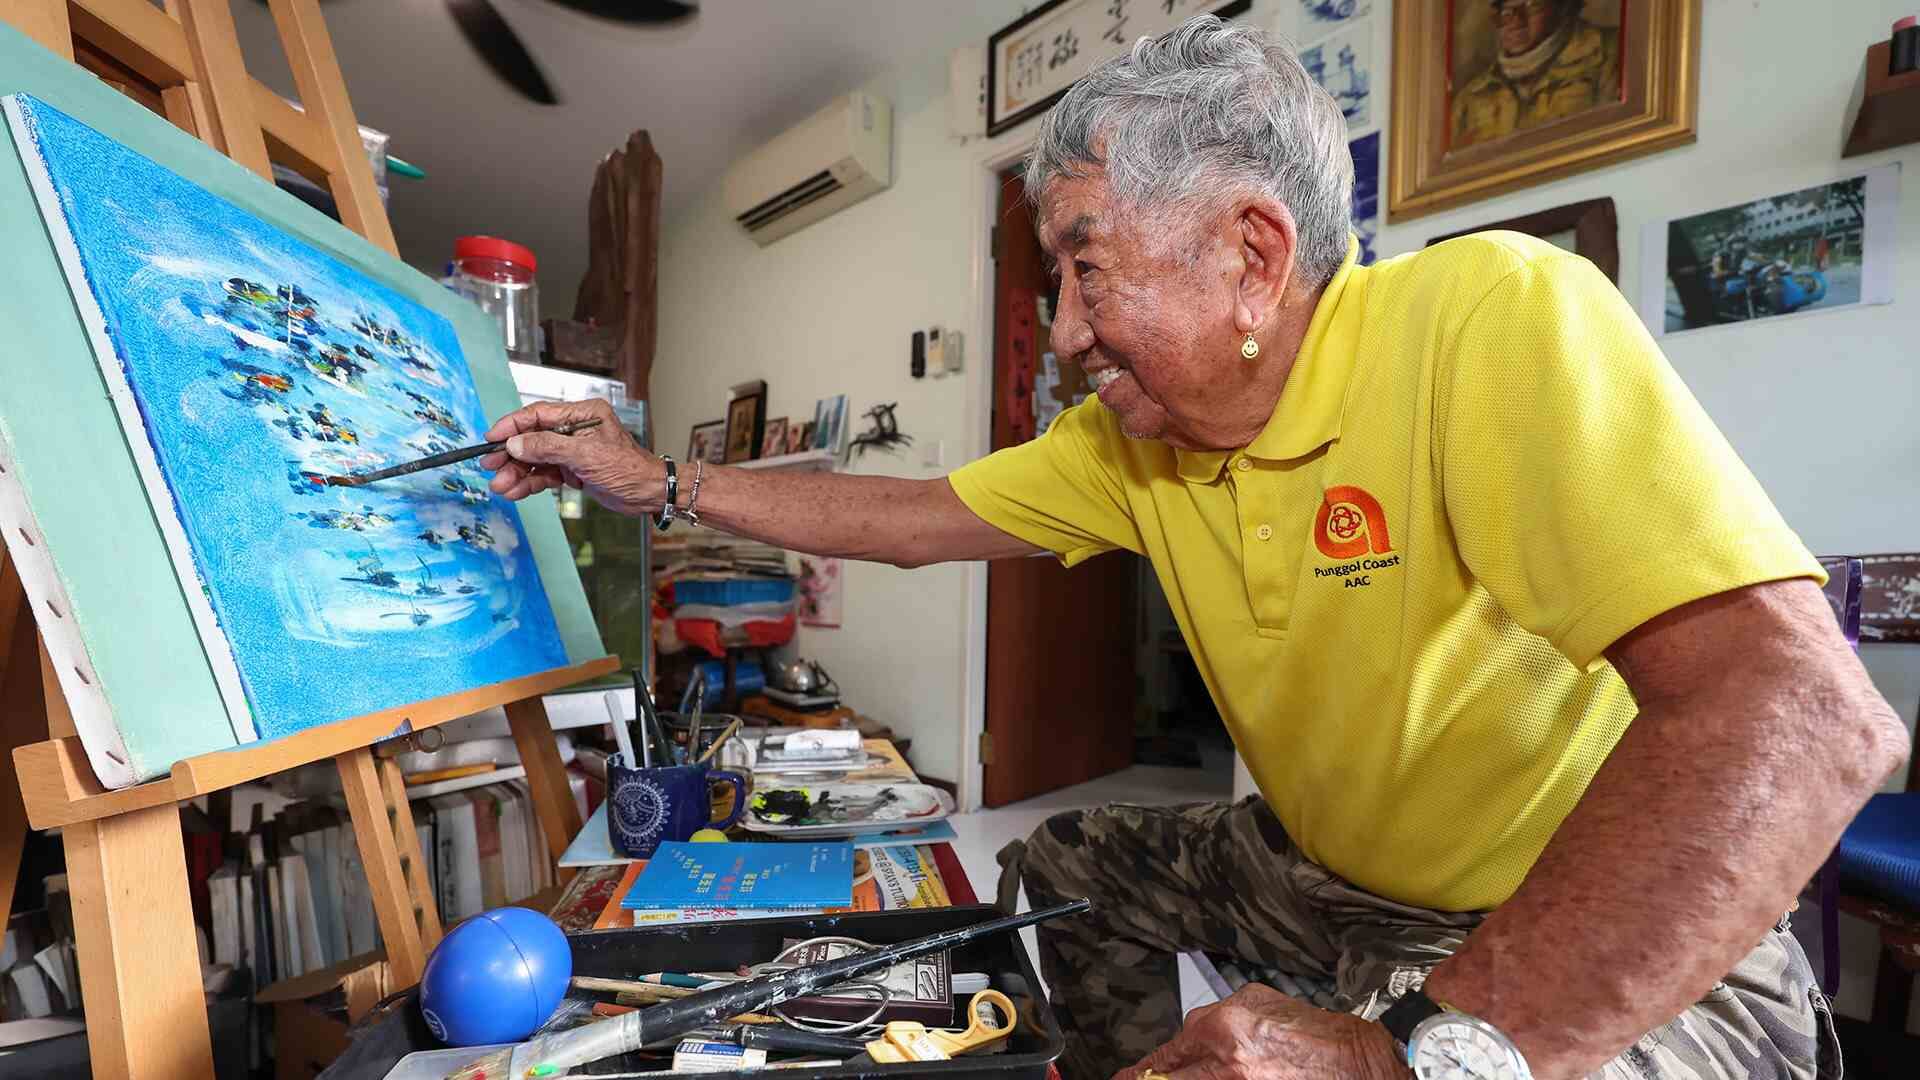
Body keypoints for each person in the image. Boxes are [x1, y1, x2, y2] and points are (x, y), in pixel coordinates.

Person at [481, 17, 1904, 1080]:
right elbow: (911, 519)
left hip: (1565, 915)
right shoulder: (1129, 444)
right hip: (1324, 875)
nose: (1065, 330)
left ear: (1253, 258)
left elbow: (1801, 715)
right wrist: (662, 483)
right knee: (1064, 866)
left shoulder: (1484, 318)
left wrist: (1401, 1053)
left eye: (1086, 266)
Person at [1451, 0, 1620, 150]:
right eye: (1506, 12)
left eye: (1532, 5)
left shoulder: (1608, 53)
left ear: (1562, 7)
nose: (1516, 22)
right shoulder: (1472, 96)